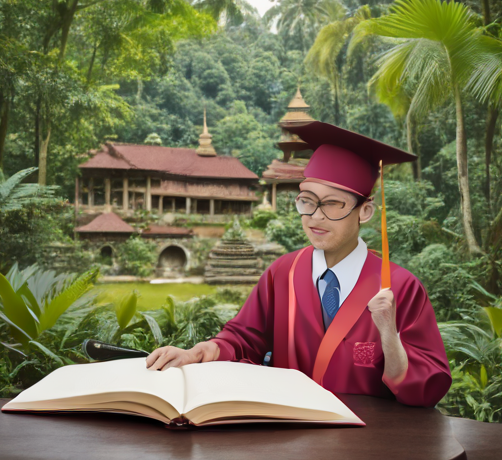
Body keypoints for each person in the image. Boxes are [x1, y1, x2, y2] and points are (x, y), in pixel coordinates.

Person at [146, 122, 452, 408]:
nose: (316, 216)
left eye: (333, 203)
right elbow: (243, 339)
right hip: (289, 436)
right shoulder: (283, 273)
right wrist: (197, 353)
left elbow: (427, 389)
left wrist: (389, 334)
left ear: (366, 211)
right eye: (307, 200)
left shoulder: (400, 287)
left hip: (368, 444)